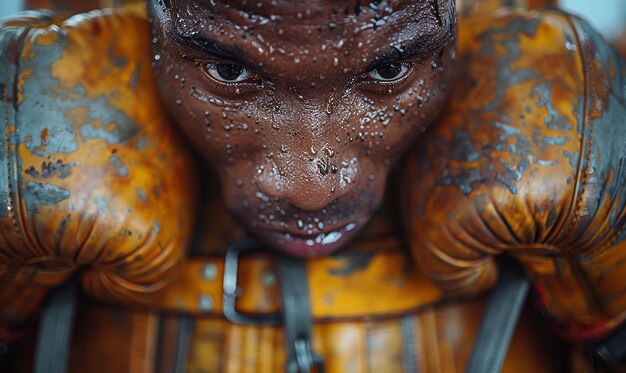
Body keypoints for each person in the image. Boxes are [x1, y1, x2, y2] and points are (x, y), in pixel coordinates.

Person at [0, 0, 624, 372]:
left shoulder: (560, 105)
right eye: (226, 69)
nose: (310, 190)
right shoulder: (54, 99)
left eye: (388, 68)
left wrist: (610, 297)